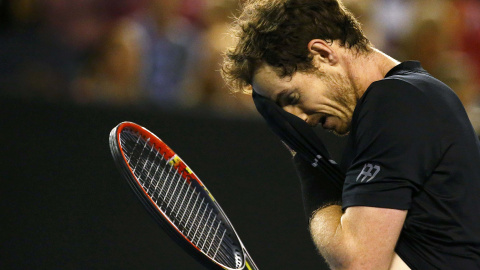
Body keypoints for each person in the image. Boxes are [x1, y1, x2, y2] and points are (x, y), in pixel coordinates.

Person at [221, 0, 480, 269]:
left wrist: (309, 162)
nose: (299, 119)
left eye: (293, 97)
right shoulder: (411, 99)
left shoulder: (395, 102)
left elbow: (358, 263)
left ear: (322, 53)